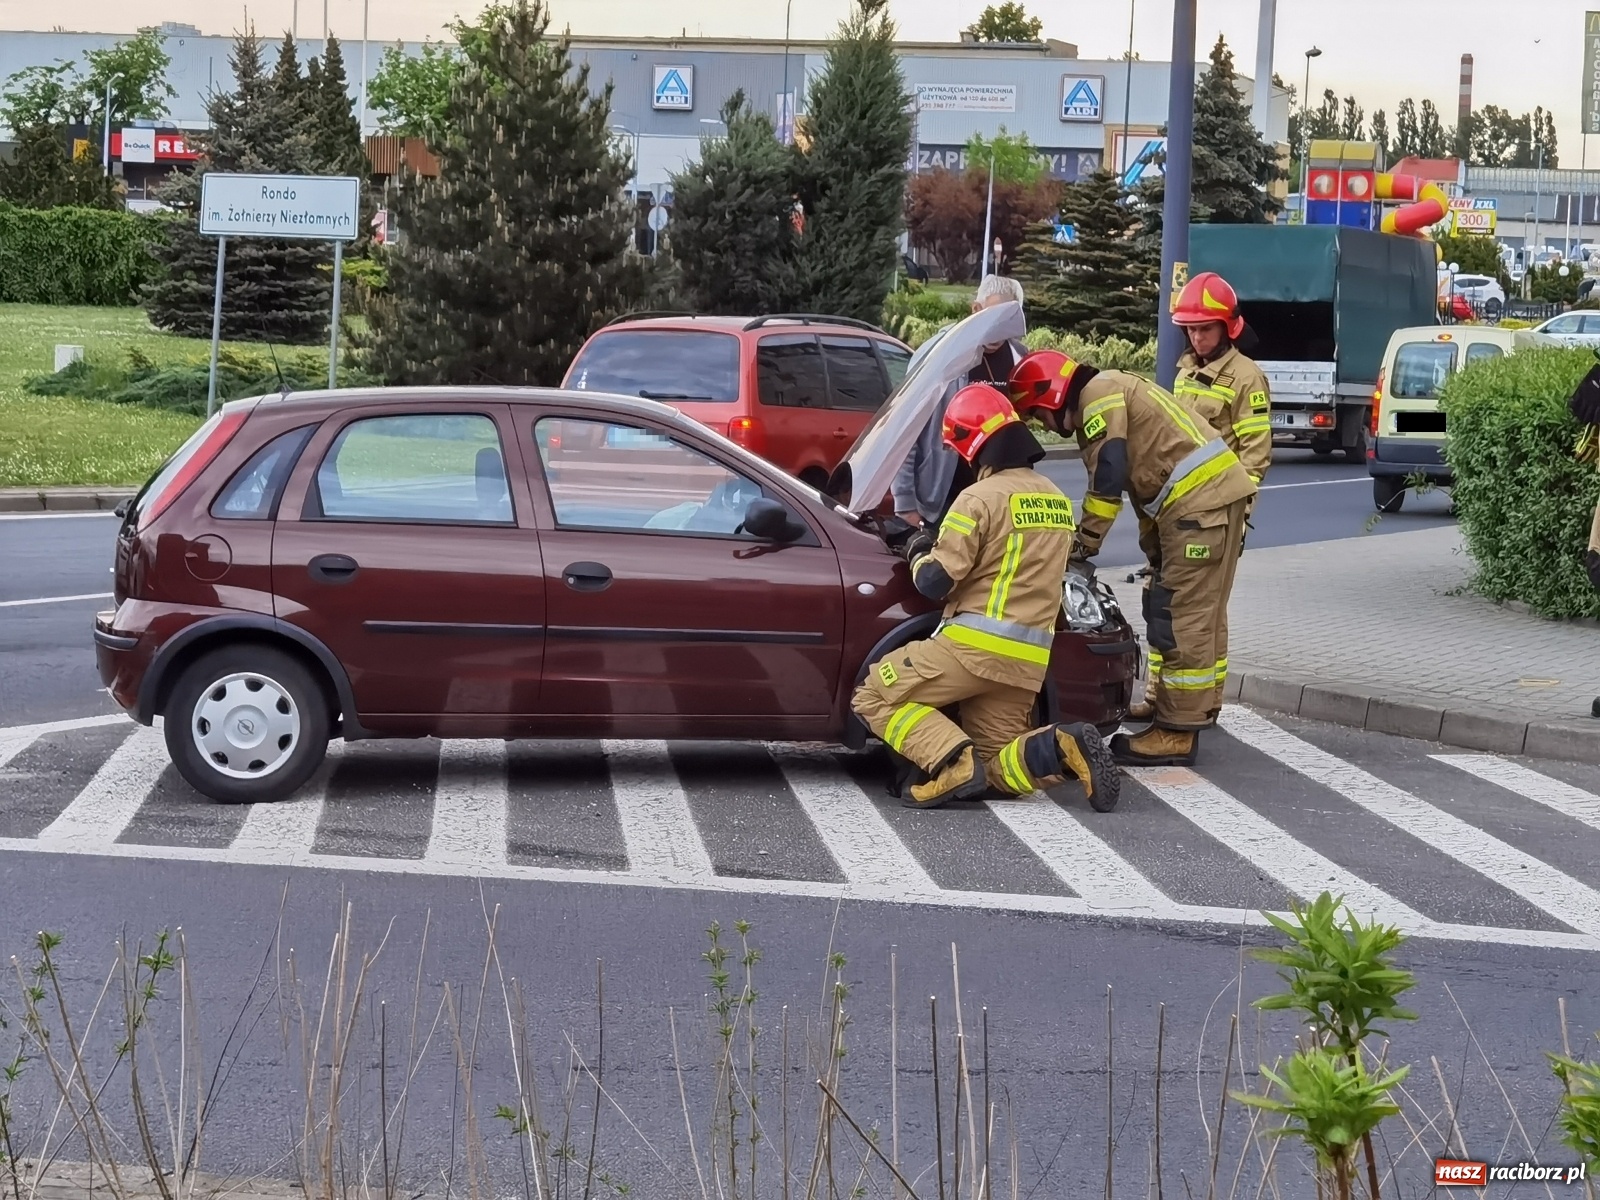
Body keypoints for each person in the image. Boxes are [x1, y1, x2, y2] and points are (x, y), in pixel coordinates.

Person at [854, 385, 1121, 811]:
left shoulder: (978, 498)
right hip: (1026, 661)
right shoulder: (1055, 499)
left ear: (971, 444)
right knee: (996, 764)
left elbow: (936, 581)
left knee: (872, 695)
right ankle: (1062, 745)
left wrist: (917, 547)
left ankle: (950, 760)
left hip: (971, 650)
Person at [1007, 349, 1256, 766]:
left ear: (1050, 395)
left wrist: (1083, 544)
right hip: (1208, 503)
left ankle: (1176, 733)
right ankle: (1193, 708)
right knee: (1194, 610)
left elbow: (1108, 477)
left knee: (1181, 616)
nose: (1042, 425)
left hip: (1199, 508)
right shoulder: (1109, 386)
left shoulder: (1096, 399)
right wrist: (1154, 548)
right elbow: (1144, 477)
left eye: (1036, 414)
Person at [1125, 272, 1271, 722]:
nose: (1197, 337)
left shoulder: (1246, 378)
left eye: (1205, 328)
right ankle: (1161, 694)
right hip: (1178, 511)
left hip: (1217, 514)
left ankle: (1204, 701)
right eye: (1190, 329)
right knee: (1165, 602)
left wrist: (1238, 516)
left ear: (1228, 327)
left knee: (1203, 612)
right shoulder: (1186, 372)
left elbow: (1255, 457)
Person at [892, 274, 1031, 529]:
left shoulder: (1020, 358)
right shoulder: (940, 354)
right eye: (992, 317)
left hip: (999, 498)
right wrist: (904, 501)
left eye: (1007, 320)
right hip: (943, 499)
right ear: (976, 308)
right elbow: (905, 428)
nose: (998, 328)